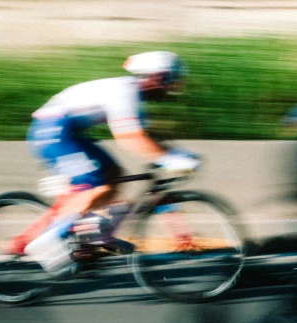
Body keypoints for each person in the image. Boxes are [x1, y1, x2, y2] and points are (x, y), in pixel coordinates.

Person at [11, 51, 201, 274]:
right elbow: (131, 138)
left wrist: (178, 153)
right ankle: (48, 240)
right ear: (156, 77)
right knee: (97, 187)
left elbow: (148, 136)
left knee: (113, 172)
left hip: (66, 132)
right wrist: (169, 158)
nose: (174, 86)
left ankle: (100, 236)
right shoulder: (125, 92)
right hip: (53, 132)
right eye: (171, 79)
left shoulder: (134, 94)